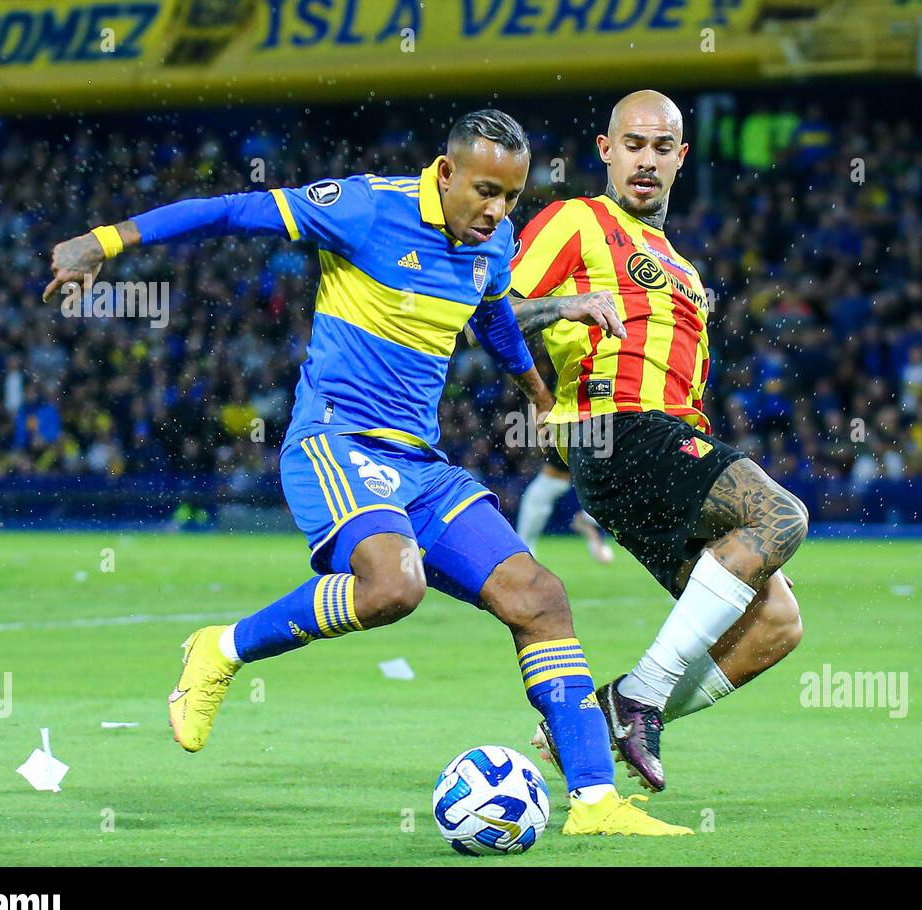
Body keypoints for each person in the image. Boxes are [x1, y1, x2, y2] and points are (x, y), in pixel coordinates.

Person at [41, 109, 689, 837]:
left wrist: (539, 395)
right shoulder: (364, 207)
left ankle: (596, 801)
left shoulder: (493, 239)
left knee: (539, 596)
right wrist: (102, 242)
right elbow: (230, 210)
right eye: (484, 191)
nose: (498, 211)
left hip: (420, 462)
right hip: (337, 442)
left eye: (510, 196)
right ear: (445, 173)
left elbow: (496, 315)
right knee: (394, 585)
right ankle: (221, 648)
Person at [510, 91, 809, 792]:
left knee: (777, 623)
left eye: (661, 147)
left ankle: (597, 717)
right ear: (606, 150)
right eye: (633, 145)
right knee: (781, 515)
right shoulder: (578, 220)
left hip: (661, 444)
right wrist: (565, 307)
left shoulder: (685, 272)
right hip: (616, 432)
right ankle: (639, 697)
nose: (646, 160)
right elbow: (484, 313)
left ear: (681, 157)